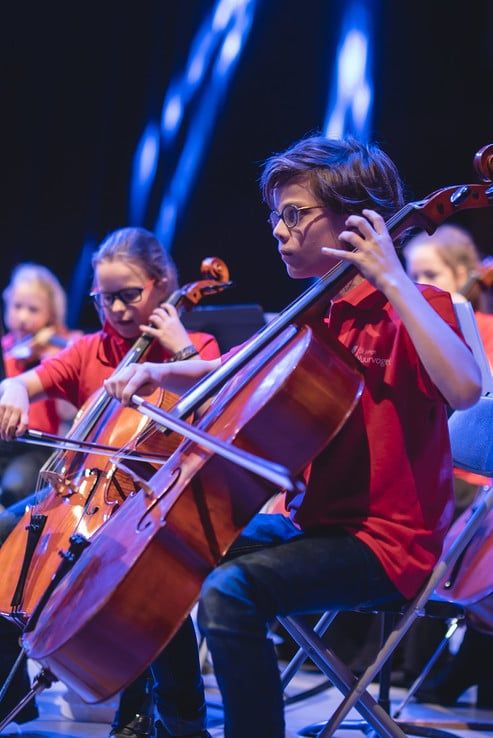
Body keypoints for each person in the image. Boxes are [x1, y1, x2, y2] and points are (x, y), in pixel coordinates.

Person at [102, 135, 482, 738]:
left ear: (358, 221)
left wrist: (392, 280)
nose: (278, 230)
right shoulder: (316, 309)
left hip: (389, 545)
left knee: (231, 593)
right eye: (275, 215)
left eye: (294, 214)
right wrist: (157, 371)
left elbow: (464, 388)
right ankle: (180, 727)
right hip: (313, 527)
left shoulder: (415, 305)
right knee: (158, 545)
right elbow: (240, 363)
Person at [0, 227, 219, 738]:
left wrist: (181, 350)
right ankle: (11, 694)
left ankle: (175, 719)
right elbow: (22, 381)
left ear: (162, 285)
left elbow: (217, 410)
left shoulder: (194, 345)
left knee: (144, 576)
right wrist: (11, 389)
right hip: (83, 493)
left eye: (130, 295)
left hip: (157, 501)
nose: (118, 310)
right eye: (105, 298)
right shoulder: (90, 350)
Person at [401, 224, 493, 707]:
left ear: (464, 276)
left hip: (469, 478)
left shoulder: (479, 329)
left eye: (431, 274)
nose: (421, 286)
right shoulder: (407, 327)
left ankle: (473, 650)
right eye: (412, 275)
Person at [0, 263, 79, 511]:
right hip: (3, 439)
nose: (23, 317)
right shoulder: (6, 348)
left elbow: (69, 412)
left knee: (14, 487)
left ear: (51, 315)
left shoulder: (65, 349)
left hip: (35, 445)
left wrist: (49, 358)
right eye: (17, 307)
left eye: (33, 309)